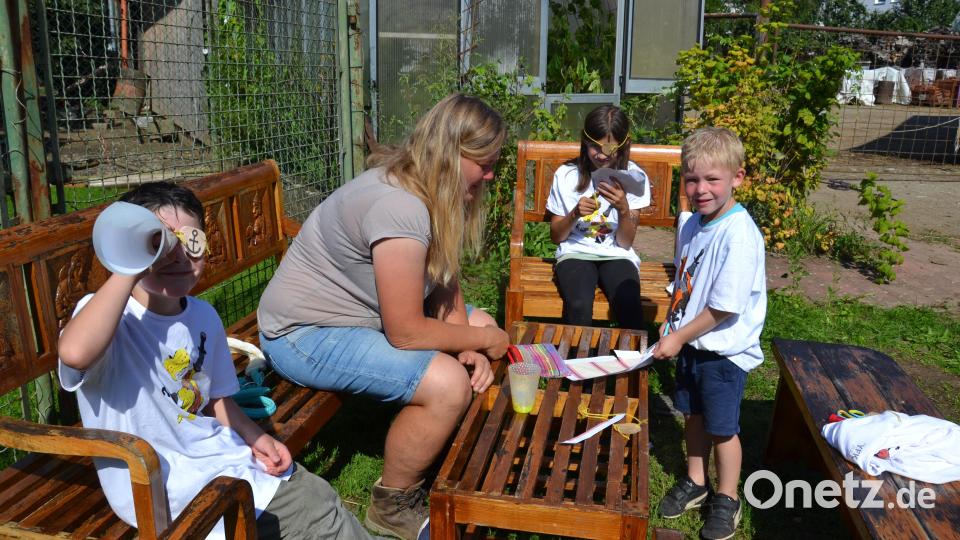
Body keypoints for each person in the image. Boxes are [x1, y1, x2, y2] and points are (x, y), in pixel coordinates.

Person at [58, 182, 379, 540]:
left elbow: (217, 400)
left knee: (320, 496)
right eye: (159, 242)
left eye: (191, 241)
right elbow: (75, 353)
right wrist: (133, 264)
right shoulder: (110, 320)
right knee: (316, 512)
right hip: (168, 482)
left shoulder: (202, 316)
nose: (178, 256)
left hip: (218, 456)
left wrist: (258, 437)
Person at [257, 93, 510, 540]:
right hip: (303, 334)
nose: (490, 174)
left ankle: (448, 444)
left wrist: (470, 338)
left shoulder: (428, 188)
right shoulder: (400, 207)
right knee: (448, 383)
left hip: (361, 318)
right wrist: (473, 347)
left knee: (483, 322)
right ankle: (394, 503)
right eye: (484, 163)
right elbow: (407, 332)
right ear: (451, 154)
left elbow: (445, 278)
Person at [651, 127, 767, 540]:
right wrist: (672, 324)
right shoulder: (692, 223)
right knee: (692, 415)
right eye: (692, 179)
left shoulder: (739, 234)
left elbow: (723, 306)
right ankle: (697, 480)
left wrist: (678, 336)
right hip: (691, 343)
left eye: (712, 180)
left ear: (738, 178)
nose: (701, 189)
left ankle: (727, 496)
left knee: (722, 428)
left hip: (721, 351)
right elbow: (683, 282)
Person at [545, 104, 650, 329]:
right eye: (595, 146)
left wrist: (623, 209)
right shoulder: (566, 175)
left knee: (628, 302)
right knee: (579, 304)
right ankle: (578, 361)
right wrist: (574, 214)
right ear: (585, 140)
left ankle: (630, 362)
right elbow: (556, 236)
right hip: (575, 252)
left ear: (623, 145)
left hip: (616, 254)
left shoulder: (634, 178)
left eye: (609, 148)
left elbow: (625, 242)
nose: (602, 155)